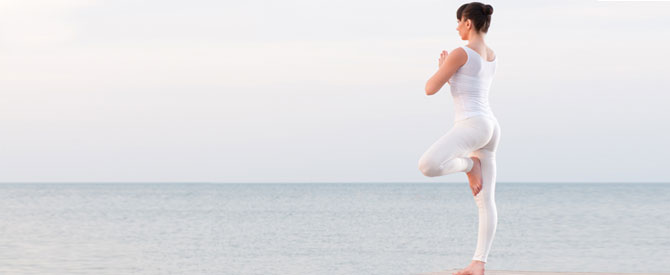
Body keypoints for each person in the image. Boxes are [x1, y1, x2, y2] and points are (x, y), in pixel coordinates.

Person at [418, 2, 500, 275]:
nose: (456, 27)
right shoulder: (491, 54)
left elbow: (430, 88)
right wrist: (452, 75)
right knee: (486, 200)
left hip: (472, 125)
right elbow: (468, 86)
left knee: (427, 166)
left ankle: (468, 165)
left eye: (458, 22)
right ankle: (479, 263)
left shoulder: (460, 53)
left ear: (468, 23)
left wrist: (444, 68)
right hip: (490, 126)